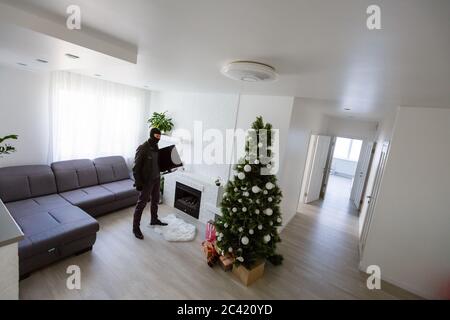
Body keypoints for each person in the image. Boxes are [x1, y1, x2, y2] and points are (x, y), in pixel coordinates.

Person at [132, 128, 167, 240]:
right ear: (152, 135)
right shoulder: (143, 148)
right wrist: (138, 182)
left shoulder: (156, 147)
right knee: (141, 204)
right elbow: (135, 168)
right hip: (147, 181)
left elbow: (157, 163)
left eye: (159, 138)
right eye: (156, 137)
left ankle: (154, 219)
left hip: (157, 179)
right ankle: (135, 228)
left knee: (155, 201)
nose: (158, 139)